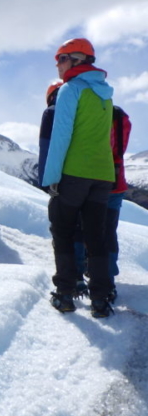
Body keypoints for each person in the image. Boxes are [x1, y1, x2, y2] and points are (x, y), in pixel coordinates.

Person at [42, 38, 115, 318]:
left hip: (74, 173)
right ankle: (100, 300)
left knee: (62, 232)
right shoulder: (105, 94)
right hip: (102, 175)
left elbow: (62, 136)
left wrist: (52, 177)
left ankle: (65, 295)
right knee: (96, 237)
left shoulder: (71, 90)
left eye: (61, 59)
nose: (58, 65)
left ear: (76, 59)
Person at [73, 106, 132, 303]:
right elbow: (120, 149)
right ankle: (108, 281)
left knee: (82, 228)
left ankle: (78, 275)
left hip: (94, 180)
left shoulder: (94, 114)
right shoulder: (122, 117)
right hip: (117, 182)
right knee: (108, 232)